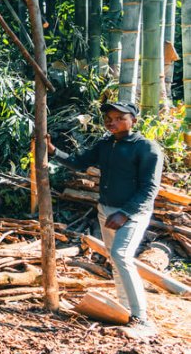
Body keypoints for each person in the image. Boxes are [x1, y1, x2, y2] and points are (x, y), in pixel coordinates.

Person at [48, 101, 163, 338]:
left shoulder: (147, 148)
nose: (112, 122)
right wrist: (53, 152)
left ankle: (141, 317)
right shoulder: (106, 144)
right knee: (115, 259)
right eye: (109, 118)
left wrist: (124, 213)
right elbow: (79, 163)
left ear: (133, 120)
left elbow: (149, 189)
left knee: (122, 255)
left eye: (119, 117)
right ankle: (124, 311)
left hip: (133, 213)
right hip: (107, 210)